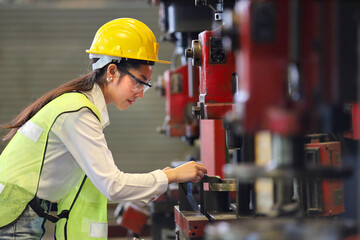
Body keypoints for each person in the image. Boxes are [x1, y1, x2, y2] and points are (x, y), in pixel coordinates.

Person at [0, 18, 207, 239]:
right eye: (139, 81)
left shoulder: (79, 106)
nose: (140, 92)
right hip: (15, 215)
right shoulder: (78, 113)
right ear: (111, 71)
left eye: (145, 85)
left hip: (20, 212)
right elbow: (112, 185)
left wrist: (164, 178)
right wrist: (172, 176)